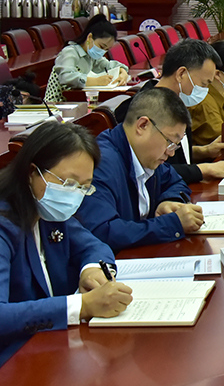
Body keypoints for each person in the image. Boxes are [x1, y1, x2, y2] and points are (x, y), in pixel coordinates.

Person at [0, 122, 133, 364]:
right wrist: (81, 306)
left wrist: (91, 269)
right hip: (13, 361)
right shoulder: (4, 224)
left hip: (52, 349)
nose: (74, 194)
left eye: (83, 187)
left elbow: (95, 246)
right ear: (32, 172)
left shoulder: (49, 213)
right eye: (69, 183)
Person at [78, 88, 204, 253]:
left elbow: (175, 181)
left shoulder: (145, 155)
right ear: (142, 125)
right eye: (170, 142)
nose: (171, 153)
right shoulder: (102, 164)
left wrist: (168, 201)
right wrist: (172, 224)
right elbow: (103, 231)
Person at [114, 39, 224, 182]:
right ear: (181, 74)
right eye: (203, 84)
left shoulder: (178, 103)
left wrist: (205, 150)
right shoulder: (141, 110)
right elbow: (150, 169)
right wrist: (204, 169)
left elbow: (177, 155)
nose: (205, 91)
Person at [53, 14, 129, 90]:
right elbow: (65, 77)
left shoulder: (91, 56)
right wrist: (96, 81)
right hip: (60, 97)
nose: (102, 52)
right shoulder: (70, 52)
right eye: (101, 46)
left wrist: (122, 71)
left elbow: (108, 66)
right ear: (89, 37)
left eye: (106, 49)